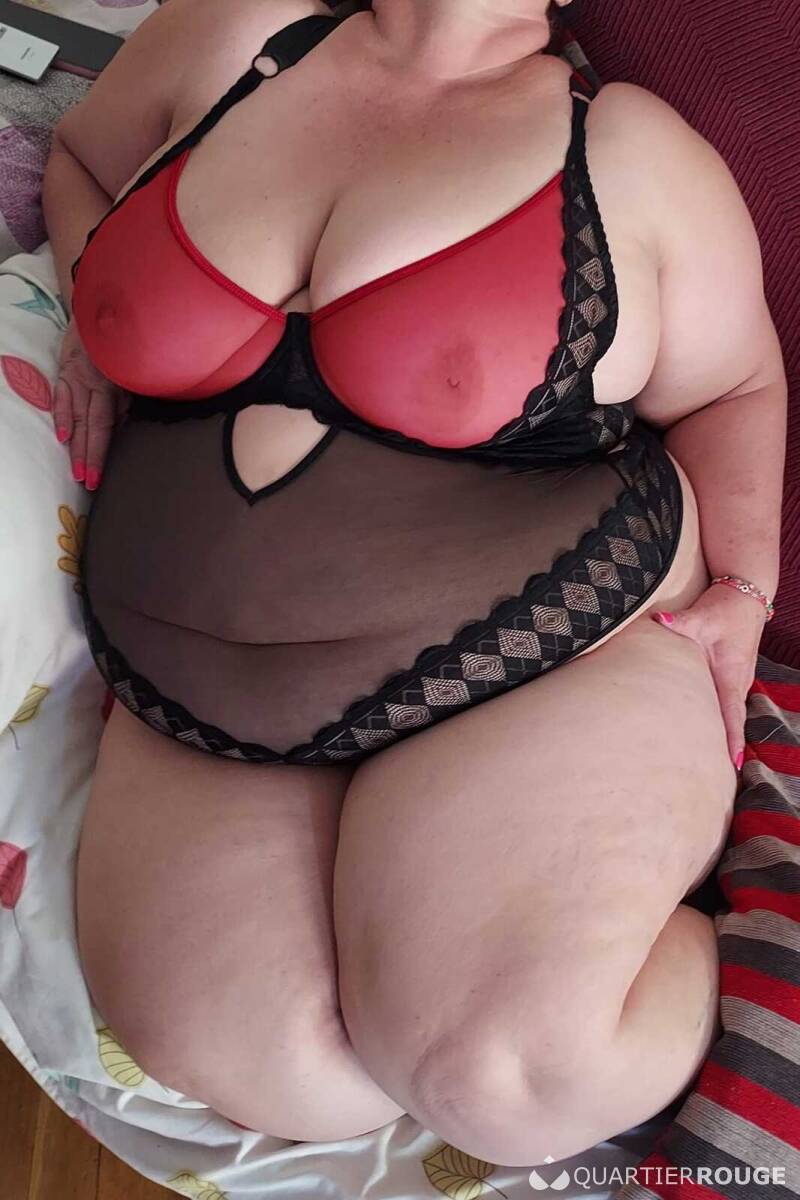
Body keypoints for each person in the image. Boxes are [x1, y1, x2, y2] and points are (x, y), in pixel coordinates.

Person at [41, 0, 787, 1166]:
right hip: (198, 669)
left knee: (502, 1073)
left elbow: (733, 386)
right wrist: (94, 315)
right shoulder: (235, 28)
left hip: (541, 646)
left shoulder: (627, 150)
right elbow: (81, 156)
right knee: (267, 1063)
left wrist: (742, 590)